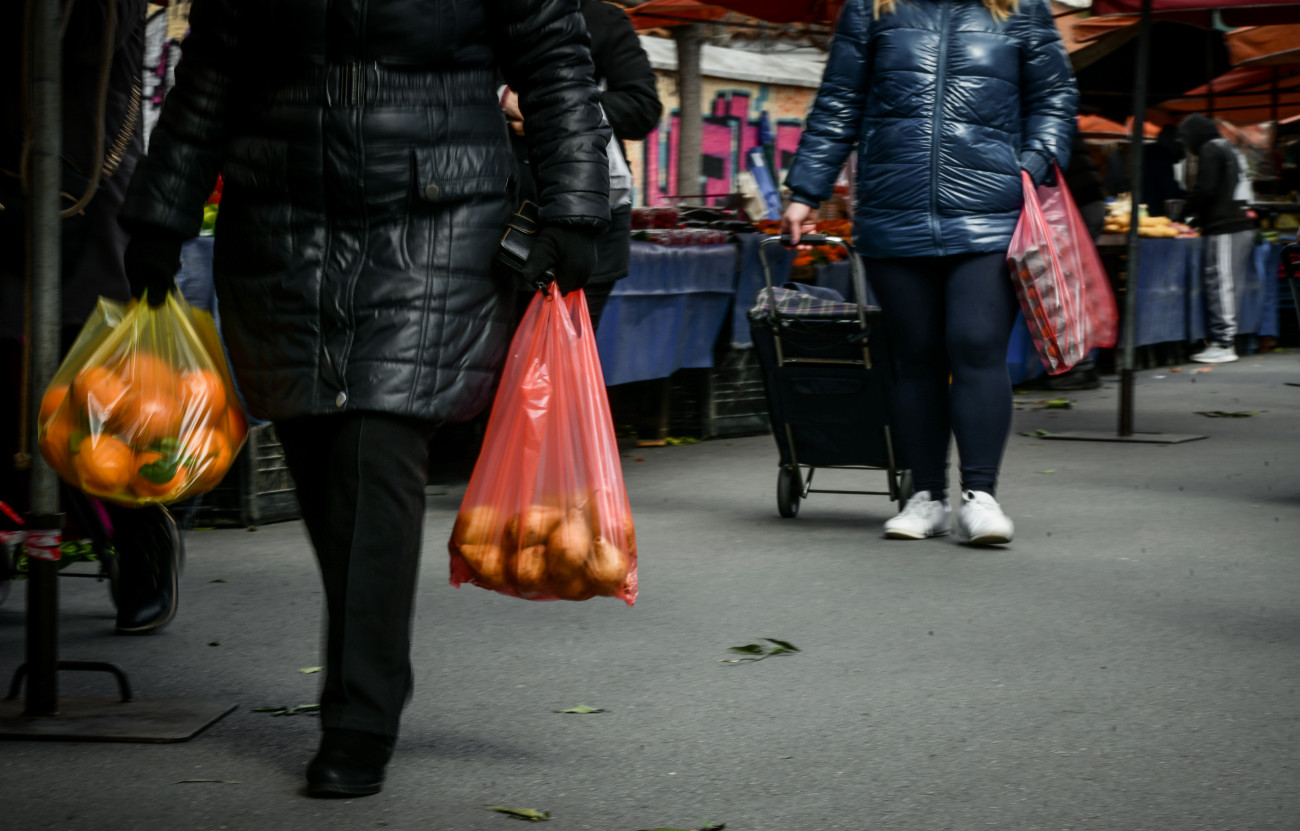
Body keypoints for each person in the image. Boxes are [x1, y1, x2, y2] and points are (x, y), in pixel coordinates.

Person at [119, 0, 610, 797]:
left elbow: (556, 61)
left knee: (377, 440)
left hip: (439, 214)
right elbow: (209, 73)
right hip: (279, 212)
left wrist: (576, 206)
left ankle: (360, 711)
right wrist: (158, 211)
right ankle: (369, 663)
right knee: (315, 445)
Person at [781, 0, 1078, 545]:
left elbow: (1055, 97)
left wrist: (1031, 166)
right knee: (913, 356)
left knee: (976, 343)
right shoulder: (872, 9)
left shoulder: (1019, 9)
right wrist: (806, 191)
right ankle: (926, 496)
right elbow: (839, 101)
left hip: (991, 213)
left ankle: (980, 497)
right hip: (895, 211)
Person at [0, 0, 185, 635]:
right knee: (6, 367)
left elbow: (83, 45)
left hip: (89, 171)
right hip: (9, 174)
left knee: (94, 380)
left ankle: (138, 533)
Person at [502, 0, 661, 328]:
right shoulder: (473, 15)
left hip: (584, 220)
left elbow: (642, 107)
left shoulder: (602, 18)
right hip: (491, 217)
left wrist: (551, 105)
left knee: (561, 366)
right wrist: (503, 100)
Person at [1177, 113, 1255, 364]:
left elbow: (1206, 189)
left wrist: (1186, 212)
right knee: (1229, 283)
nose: (1188, 147)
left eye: (1187, 140)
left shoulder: (1211, 148)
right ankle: (1226, 339)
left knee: (1221, 282)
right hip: (1239, 224)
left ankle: (1224, 343)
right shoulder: (1227, 147)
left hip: (1226, 226)